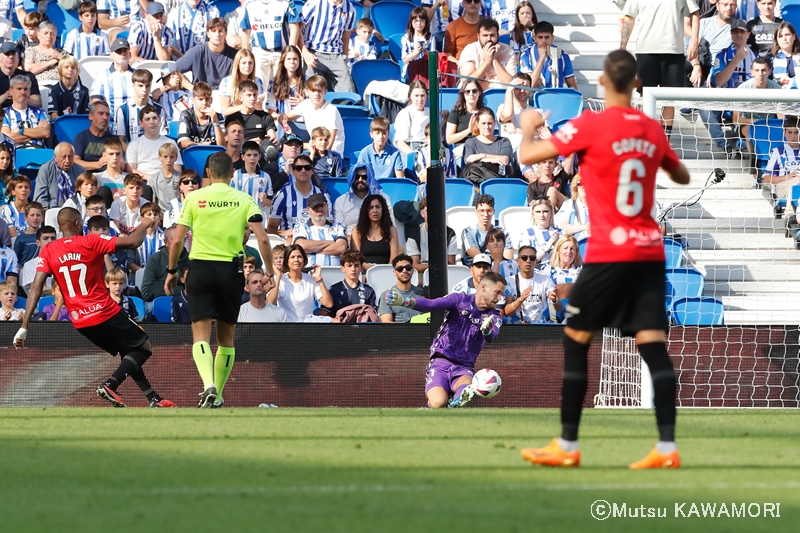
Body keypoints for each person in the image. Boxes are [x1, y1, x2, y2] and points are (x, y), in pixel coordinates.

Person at [517, 49, 691, 469]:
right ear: (635, 85)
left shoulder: (590, 124)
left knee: (576, 338)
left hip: (611, 249)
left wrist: (528, 127)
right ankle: (667, 448)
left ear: (601, 83)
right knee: (652, 347)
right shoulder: (650, 128)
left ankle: (568, 444)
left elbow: (528, 157)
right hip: (649, 250)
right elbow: (681, 175)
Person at [13, 208, 176, 408]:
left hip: (80, 320)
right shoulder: (91, 241)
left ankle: (153, 398)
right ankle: (110, 385)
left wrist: (24, 326)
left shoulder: (48, 250)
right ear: (76, 224)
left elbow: (36, 288)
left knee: (128, 351)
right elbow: (134, 241)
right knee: (143, 347)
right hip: (104, 310)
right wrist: (144, 223)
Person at [164, 151, 275, 408]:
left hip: (200, 269)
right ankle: (219, 394)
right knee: (226, 338)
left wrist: (171, 271)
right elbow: (264, 239)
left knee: (200, 335)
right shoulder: (244, 199)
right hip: (231, 271)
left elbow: (178, 239)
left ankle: (207, 385)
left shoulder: (194, 198)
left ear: (209, 174)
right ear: (233, 173)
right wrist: (269, 272)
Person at [385, 270, 505, 408]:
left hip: (464, 367)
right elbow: (432, 304)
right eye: (497, 292)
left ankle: (458, 399)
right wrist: (405, 301)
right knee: (438, 403)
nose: (499, 298)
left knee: (465, 386)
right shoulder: (460, 299)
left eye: (501, 294)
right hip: (440, 361)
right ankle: (444, 403)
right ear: (483, 287)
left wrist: (487, 330)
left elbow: (492, 336)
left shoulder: (494, 316)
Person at [621, 0, 699, 135]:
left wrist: (694, 41)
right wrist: (622, 46)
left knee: (669, 99)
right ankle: (643, 137)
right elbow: (629, 17)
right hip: (646, 50)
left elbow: (695, 12)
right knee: (644, 97)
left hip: (673, 50)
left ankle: (664, 142)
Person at [268, 153, 331, 239]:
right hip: (290, 245)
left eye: (307, 167)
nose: (303, 170)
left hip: (316, 242)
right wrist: (283, 232)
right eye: (299, 168)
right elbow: (271, 228)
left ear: (312, 170)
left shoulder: (323, 195)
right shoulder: (284, 195)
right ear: (293, 171)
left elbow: (330, 225)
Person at [239, 0, 301, 87]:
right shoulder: (249, 5)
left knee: (281, 85)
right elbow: (246, 30)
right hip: (260, 51)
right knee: (258, 86)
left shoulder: (286, 3)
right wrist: (245, 54)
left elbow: (294, 27)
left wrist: (290, 52)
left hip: (282, 51)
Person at [278, 75, 345, 155]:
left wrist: (301, 145)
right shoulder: (305, 104)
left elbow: (327, 147)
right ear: (306, 92)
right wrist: (285, 123)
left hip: (331, 156)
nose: (316, 94)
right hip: (314, 151)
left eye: (319, 91)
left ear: (325, 92)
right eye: (313, 91)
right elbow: (285, 116)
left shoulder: (331, 110)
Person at [300, 0, 357, 93]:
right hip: (313, 53)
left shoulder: (350, 9)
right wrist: (305, 53)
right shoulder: (314, 3)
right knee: (310, 92)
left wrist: (344, 58)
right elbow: (298, 29)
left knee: (349, 94)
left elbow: (346, 38)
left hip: (336, 55)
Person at [266, 243, 332, 322]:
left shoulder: (310, 280)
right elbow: (269, 303)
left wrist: (319, 279)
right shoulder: (281, 281)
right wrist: (278, 278)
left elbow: (328, 303)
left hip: (307, 328)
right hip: (287, 328)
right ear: (287, 261)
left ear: (304, 260)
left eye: (299, 257)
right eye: (292, 257)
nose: (296, 260)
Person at [174, 17, 237, 91]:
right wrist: (192, 88)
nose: (217, 34)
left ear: (225, 33)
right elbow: (172, 69)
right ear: (208, 34)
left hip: (225, 95)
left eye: (220, 31)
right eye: (213, 31)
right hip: (200, 97)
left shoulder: (235, 55)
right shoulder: (196, 52)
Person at [503, 244, 559, 324]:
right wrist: (520, 299)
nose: (528, 261)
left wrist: (554, 299)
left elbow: (559, 308)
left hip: (540, 327)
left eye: (532, 258)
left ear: (536, 262)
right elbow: (507, 311)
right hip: (516, 329)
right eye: (524, 258)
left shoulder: (545, 280)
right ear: (518, 261)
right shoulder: (509, 281)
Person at [126, 106, 183, 181]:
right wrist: (151, 179)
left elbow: (177, 169)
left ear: (159, 120)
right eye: (147, 119)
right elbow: (130, 169)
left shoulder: (170, 142)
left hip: (166, 182)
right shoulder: (134, 144)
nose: (152, 122)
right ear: (141, 123)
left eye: (154, 118)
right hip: (143, 182)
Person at [334, 163, 392, 235]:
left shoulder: (383, 199)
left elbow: (390, 227)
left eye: (364, 177)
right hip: (350, 242)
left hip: (377, 241)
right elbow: (340, 232)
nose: (360, 180)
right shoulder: (341, 201)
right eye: (356, 177)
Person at [461, 107, 518, 181]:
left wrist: (479, 157)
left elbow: (504, 160)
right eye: (483, 123)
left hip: (498, 176)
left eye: (490, 123)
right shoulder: (471, 142)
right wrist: (494, 158)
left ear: (494, 123)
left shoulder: (503, 141)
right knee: (471, 170)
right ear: (477, 124)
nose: (487, 127)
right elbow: (469, 159)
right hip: (475, 177)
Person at [406, 196, 458, 276]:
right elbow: (415, 266)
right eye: (428, 211)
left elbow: (450, 263)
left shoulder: (450, 233)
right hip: (421, 273)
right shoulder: (414, 233)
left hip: (443, 273)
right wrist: (434, 265)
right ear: (422, 213)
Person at [458, 18, 516, 90]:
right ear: (478, 36)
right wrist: (487, 62)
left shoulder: (507, 50)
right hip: (474, 94)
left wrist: (494, 60)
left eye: (492, 35)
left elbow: (511, 85)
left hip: (501, 94)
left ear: (497, 35)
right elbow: (468, 82)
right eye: (485, 35)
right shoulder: (469, 50)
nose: (489, 39)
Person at [115, 69, 168, 146]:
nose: (144, 89)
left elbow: (162, 138)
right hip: (131, 155)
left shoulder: (159, 110)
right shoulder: (122, 109)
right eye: (140, 85)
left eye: (148, 86)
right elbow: (120, 140)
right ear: (133, 86)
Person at [292, 193, 347, 267]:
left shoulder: (338, 227)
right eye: (315, 207)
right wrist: (330, 242)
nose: (319, 209)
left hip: (335, 274)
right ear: (308, 210)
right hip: (309, 274)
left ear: (327, 207)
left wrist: (311, 249)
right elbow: (301, 246)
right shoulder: (301, 226)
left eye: (322, 206)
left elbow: (341, 248)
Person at [320, 250, 377, 317]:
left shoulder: (369, 291)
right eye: (349, 266)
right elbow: (322, 316)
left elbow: (373, 317)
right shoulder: (334, 289)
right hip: (339, 326)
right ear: (343, 268)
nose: (353, 269)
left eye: (356, 265)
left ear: (361, 268)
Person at [460, 193, 512, 266]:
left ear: (493, 211)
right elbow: (479, 258)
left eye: (489, 211)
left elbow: (508, 261)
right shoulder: (468, 232)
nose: (485, 215)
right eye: (481, 211)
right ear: (476, 212)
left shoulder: (503, 233)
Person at [350, 194, 399, 270]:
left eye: (378, 207)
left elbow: (394, 258)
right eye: (371, 207)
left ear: (383, 209)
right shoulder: (357, 231)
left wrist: (382, 270)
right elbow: (356, 259)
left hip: (386, 271)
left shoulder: (391, 230)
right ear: (366, 210)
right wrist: (372, 269)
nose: (375, 211)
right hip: (363, 271)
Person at [89, 38, 135, 118]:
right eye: (119, 51)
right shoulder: (102, 76)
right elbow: (96, 100)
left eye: (125, 51)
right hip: (111, 123)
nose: (122, 54)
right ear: (111, 55)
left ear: (130, 55)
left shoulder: (137, 74)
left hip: (134, 122)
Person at [141, 225, 189, 301]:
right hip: (159, 302)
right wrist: (181, 289)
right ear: (165, 242)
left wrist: (158, 285)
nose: (177, 243)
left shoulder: (191, 260)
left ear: (185, 240)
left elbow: (197, 289)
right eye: (173, 240)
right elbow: (146, 292)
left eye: (181, 239)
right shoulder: (155, 259)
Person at [1, 75, 50, 149]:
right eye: (19, 89)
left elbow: (46, 133)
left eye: (25, 89)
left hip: (39, 151)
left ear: (29, 92)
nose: (23, 92)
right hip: (16, 152)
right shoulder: (5, 113)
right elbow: (6, 138)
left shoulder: (39, 112)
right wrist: (36, 133)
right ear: (11, 91)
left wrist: (20, 130)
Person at [765, 115, 800, 216]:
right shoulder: (778, 152)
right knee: (798, 179)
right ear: (784, 133)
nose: (793, 136)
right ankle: (789, 215)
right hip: (783, 187)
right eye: (790, 132)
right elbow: (767, 179)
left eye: (797, 132)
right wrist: (787, 177)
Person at [33, 143, 86, 210]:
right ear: (55, 157)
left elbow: (85, 196)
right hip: (52, 211)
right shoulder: (46, 169)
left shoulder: (81, 171)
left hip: (75, 211)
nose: (67, 161)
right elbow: (40, 199)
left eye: (70, 157)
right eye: (63, 157)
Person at [377, 254, 424, 323]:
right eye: (400, 269)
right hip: (398, 333)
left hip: (422, 331)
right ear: (394, 273)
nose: (404, 271)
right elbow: (386, 322)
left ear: (412, 270)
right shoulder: (387, 295)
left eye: (408, 267)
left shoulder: (422, 293)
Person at [230, 140, 273, 216]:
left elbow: (270, 202)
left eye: (255, 155)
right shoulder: (236, 175)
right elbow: (229, 199)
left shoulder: (265, 177)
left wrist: (265, 200)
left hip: (259, 218)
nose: (252, 158)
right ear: (242, 157)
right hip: (240, 217)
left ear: (259, 157)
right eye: (249, 155)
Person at [176, 81, 225, 149]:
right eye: (200, 99)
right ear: (193, 100)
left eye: (207, 99)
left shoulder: (218, 116)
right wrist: (201, 145)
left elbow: (223, 146)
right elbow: (183, 142)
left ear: (211, 100)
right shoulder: (186, 115)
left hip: (214, 157)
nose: (204, 103)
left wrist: (215, 122)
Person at [229, 80, 278, 145]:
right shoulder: (233, 119)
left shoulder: (265, 116)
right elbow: (231, 142)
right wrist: (250, 143)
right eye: (249, 95)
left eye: (255, 95)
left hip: (263, 149)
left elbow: (272, 136)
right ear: (240, 97)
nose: (252, 98)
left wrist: (273, 140)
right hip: (243, 150)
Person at [444, 80, 484, 158]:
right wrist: (468, 130)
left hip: (480, 148)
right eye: (467, 91)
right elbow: (449, 139)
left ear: (479, 93)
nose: (471, 94)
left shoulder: (484, 113)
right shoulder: (456, 113)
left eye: (474, 91)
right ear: (463, 94)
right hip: (461, 149)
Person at [219, 49, 265, 117]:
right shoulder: (227, 82)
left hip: (252, 118)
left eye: (250, 63)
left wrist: (258, 102)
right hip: (233, 119)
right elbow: (225, 111)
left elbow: (259, 110)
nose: (247, 66)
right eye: (244, 63)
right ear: (237, 65)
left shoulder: (258, 81)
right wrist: (244, 105)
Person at [264, 45, 306, 117]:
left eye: (295, 59)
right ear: (283, 61)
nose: (292, 62)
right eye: (288, 59)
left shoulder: (307, 81)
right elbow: (271, 112)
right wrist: (283, 119)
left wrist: (305, 103)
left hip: (303, 123)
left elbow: (316, 108)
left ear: (299, 61)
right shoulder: (275, 82)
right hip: (282, 123)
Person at [516, 199, 560, 265]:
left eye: (545, 211)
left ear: (551, 213)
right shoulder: (527, 234)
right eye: (538, 212)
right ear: (533, 214)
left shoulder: (561, 233)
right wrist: (547, 247)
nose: (542, 215)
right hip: (535, 272)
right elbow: (527, 262)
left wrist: (558, 245)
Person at [0, 41, 42, 110]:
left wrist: (20, 97)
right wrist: (5, 96)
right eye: (7, 54)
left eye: (13, 54)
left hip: (25, 116)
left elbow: (37, 103)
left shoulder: (28, 77)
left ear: (17, 56)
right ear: (0, 57)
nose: (10, 57)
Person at [444, 0, 482, 74]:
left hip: (483, 64)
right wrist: (459, 63)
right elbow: (448, 54)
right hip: (461, 66)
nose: (472, 3)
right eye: (468, 1)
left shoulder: (487, 24)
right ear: (463, 4)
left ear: (480, 4)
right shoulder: (453, 26)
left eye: (476, 1)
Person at [497, 72, 532, 152]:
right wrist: (509, 90)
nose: (522, 90)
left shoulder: (537, 111)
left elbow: (542, 134)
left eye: (526, 87)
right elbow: (508, 115)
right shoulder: (502, 108)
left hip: (534, 150)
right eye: (518, 87)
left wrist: (517, 130)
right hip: (513, 151)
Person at [394, 81, 430, 156]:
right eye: (416, 96)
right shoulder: (405, 113)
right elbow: (400, 142)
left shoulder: (430, 112)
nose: (420, 99)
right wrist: (415, 155)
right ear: (410, 96)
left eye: (422, 95)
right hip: (413, 149)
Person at [400, 8, 435, 84]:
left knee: (422, 63)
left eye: (421, 21)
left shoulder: (430, 37)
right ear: (411, 22)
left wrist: (425, 51)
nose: (419, 23)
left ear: (426, 22)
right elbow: (405, 59)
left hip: (426, 68)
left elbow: (433, 59)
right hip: (411, 69)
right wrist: (416, 52)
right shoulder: (406, 38)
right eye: (416, 21)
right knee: (416, 64)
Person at [554, 174, 590, 242]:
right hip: (575, 244)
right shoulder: (569, 204)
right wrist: (583, 227)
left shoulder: (601, 205)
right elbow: (563, 227)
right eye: (581, 183)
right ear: (576, 187)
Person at [94, 138, 128, 202]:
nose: (115, 157)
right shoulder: (97, 177)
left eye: (117, 154)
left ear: (122, 155)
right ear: (104, 156)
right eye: (111, 154)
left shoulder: (129, 178)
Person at [149, 143, 181, 211]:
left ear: (176, 157)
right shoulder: (153, 179)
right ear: (159, 157)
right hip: (161, 216)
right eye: (165, 156)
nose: (168, 160)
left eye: (171, 157)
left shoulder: (181, 177)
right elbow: (153, 203)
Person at [13, 202, 44, 267]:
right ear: (26, 218)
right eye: (32, 215)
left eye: (38, 215)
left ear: (42, 218)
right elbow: (15, 260)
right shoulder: (20, 238)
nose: (35, 218)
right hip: (25, 272)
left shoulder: (46, 236)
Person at [770, 21, 800, 86]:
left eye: (787, 35)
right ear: (777, 40)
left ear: (794, 36)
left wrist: (792, 81)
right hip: (778, 94)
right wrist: (779, 81)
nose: (784, 39)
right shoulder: (770, 58)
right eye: (780, 36)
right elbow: (766, 81)